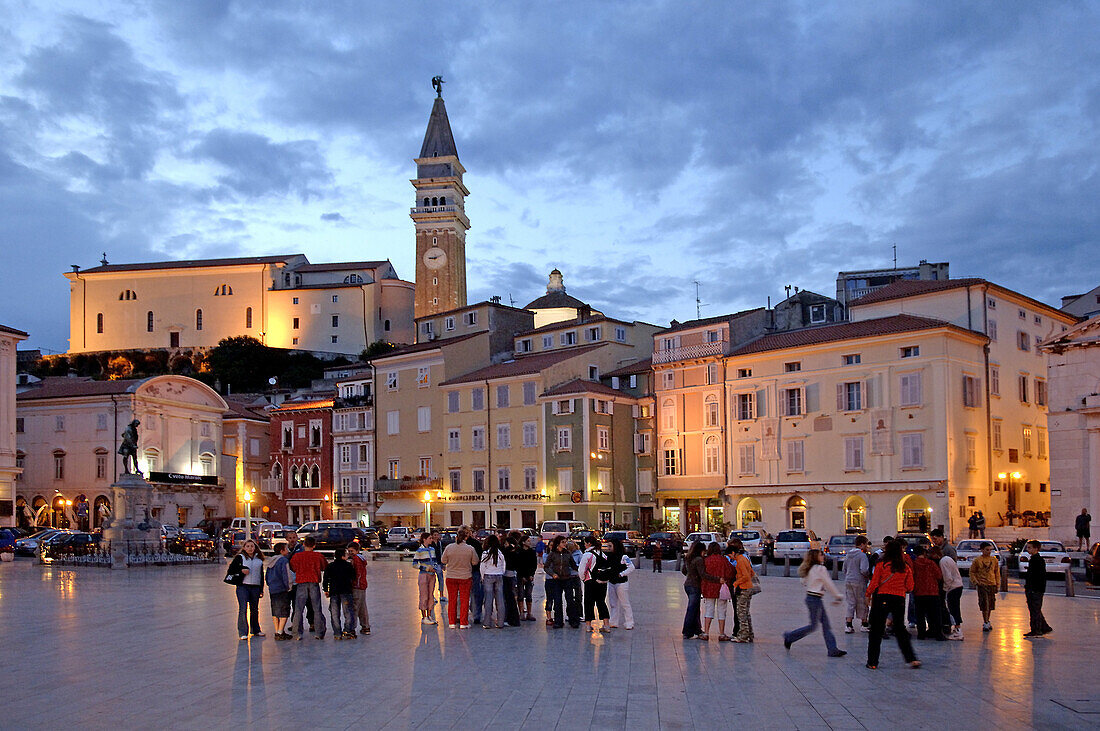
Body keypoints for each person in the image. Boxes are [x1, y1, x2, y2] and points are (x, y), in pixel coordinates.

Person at [865, 540, 919, 669]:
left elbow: (874, 582)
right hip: (899, 599)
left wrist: (868, 595)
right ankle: (911, 659)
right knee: (900, 628)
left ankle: (872, 662)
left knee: (876, 630)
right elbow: (910, 587)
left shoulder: (882, 565)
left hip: (882, 597)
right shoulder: (905, 567)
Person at [783, 549, 846, 657]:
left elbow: (803, 581)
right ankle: (789, 636)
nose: (823, 556)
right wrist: (837, 596)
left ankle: (832, 649)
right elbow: (828, 583)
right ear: (816, 557)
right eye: (821, 555)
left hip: (811, 597)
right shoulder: (820, 569)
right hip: (815, 599)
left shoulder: (809, 568)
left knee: (825, 625)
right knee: (813, 626)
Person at [289, 536, 327, 640]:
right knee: (316, 608)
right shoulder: (318, 556)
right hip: (313, 582)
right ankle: (319, 632)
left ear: (304, 544)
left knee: (298, 609)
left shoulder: (297, 556)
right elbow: (324, 567)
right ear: (314, 545)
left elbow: (293, 568)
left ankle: (297, 633)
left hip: (301, 582)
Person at [227, 539, 265, 640]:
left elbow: (261, 575)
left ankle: (256, 629)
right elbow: (231, 570)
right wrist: (241, 571)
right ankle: (243, 632)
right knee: (243, 609)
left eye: (252, 546)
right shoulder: (240, 558)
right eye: (247, 546)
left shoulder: (259, 560)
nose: (250, 548)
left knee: (254, 609)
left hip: (255, 587)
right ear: (244, 548)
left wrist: (261, 589)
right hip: (243, 586)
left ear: (255, 547)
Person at [441, 528, 479, 628]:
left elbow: (443, 560)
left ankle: (452, 622)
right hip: (465, 577)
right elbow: (475, 561)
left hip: (451, 576)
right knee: (464, 600)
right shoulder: (470, 548)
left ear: (456, 537)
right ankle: (463, 622)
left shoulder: (449, 547)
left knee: (452, 600)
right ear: (466, 538)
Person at [699, 542, 734, 641]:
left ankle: (706, 633)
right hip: (721, 588)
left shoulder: (706, 560)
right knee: (722, 610)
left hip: (709, 588)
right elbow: (730, 572)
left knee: (709, 609)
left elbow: (703, 574)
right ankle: (722, 634)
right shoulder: (723, 560)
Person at [577, 534, 612, 634]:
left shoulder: (587, 555)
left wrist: (583, 579)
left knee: (589, 602)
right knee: (601, 602)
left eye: (585, 543)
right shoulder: (603, 554)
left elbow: (581, 570)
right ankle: (606, 624)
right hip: (602, 582)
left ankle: (588, 625)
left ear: (589, 543)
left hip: (590, 581)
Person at [910, 545, 944, 641]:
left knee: (920, 614)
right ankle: (938, 634)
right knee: (935, 614)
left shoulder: (914, 564)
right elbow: (939, 576)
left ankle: (921, 634)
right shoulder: (931, 563)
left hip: (919, 592)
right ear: (924, 553)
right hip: (932, 591)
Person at [284, 530, 315, 633]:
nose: (292, 540)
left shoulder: (301, 549)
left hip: (302, 580)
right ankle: (295, 624)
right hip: (290, 581)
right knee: (294, 604)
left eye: (294, 537)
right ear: (287, 539)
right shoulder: (284, 550)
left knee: (308, 602)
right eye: (290, 538)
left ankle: (312, 623)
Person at [322, 547, 356, 640]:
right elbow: (353, 577)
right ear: (343, 556)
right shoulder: (348, 566)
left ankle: (337, 633)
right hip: (346, 591)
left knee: (335, 613)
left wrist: (326, 589)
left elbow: (325, 579)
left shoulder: (330, 566)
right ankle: (347, 631)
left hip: (334, 592)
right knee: (348, 612)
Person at [1023, 540, 1053, 637]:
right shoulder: (1035, 560)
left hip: (1035, 589)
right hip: (1034, 588)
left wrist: (1032, 588)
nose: (1028, 549)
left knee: (1034, 609)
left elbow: (1038, 576)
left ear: (1036, 548)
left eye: (1030, 547)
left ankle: (1036, 629)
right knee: (1035, 609)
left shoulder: (1037, 560)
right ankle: (1044, 627)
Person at [727, 538, 755, 643]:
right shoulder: (744, 558)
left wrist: (736, 583)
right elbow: (751, 572)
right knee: (746, 613)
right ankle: (749, 634)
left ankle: (743, 635)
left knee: (741, 613)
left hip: (743, 588)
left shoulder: (740, 560)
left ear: (733, 553)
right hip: (747, 587)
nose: (730, 558)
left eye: (730, 555)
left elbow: (746, 575)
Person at [843, 535, 872, 634]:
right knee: (862, 602)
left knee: (851, 603)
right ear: (862, 544)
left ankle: (848, 624)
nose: (867, 547)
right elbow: (864, 569)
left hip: (848, 580)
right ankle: (864, 624)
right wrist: (868, 576)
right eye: (866, 544)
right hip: (859, 581)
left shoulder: (848, 555)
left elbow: (844, 569)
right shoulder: (862, 555)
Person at [264, 542, 292, 640]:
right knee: (284, 610)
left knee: (275, 610)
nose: (288, 551)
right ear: (282, 551)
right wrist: (289, 586)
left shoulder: (271, 561)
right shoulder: (283, 560)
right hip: (282, 589)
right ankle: (280, 632)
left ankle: (277, 630)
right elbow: (286, 574)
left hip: (273, 589)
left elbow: (266, 576)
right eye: (286, 549)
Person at [543, 536, 573, 628]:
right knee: (557, 601)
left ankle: (573, 620)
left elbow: (573, 565)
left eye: (565, 542)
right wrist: (553, 574)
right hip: (557, 580)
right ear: (558, 543)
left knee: (570, 600)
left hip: (567, 578)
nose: (565, 544)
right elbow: (546, 566)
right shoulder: (552, 554)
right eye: (563, 542)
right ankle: (558, 621)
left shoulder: (568, 553)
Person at [606, 537, 636, 630]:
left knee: (625, 603)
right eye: (608, 546)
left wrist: (622, 574)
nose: (608, 548)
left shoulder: (624, 557)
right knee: (613, 603)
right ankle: (613, 621)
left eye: (610, 546)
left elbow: (631, 567)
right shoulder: (608, 556)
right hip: (611, 582)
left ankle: (629, 622)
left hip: (622, 583)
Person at [970, 542, 1000, 631]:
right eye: (987, 550)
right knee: (984, 604)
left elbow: (997, 572)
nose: (989, 551)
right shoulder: (977, 560)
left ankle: (988, 620)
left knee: (990, 604)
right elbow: (972, 572)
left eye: (990, 550)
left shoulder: (994, 560)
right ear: (982, 550)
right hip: (982, 585)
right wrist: (975, 581)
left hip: (991, 584)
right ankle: (985, 621)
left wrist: (997, 584)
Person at [479, 534, 507, 628]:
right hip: (499, 575)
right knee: (500, 600)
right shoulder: (500, 553)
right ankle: (500, 622)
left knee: (488, 599)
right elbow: (504, 566)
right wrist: (501, 573)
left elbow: (482, 566)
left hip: (488, 575)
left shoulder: (486, 553)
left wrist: (482, 577)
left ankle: (487, 622)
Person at [681, 541, 707, 639]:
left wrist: (690, 575)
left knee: (695, 608)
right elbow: (703, 574)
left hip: (687, 585)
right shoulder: (699, 560)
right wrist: (716, 579)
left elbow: (683, 570)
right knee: (692, 609)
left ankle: (697, 629)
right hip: (695, 585)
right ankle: (687, 631)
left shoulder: (688, 558)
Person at [937, 547, 964, 640]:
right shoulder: (948, 559)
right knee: (955, 607)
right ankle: (957, 629)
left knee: (953, 609)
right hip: (958, 585)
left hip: (953, 588)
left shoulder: (943, 562)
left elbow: (948, 578)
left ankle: (958, 631)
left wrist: (944, 590)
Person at [412, 533, 439, 625]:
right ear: (424, 539)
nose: (431, 540)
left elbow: (435, 560)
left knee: (431, 595)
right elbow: (414, 564)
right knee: (424, 595)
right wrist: (425, 568)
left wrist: (435, 568)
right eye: (430, 538)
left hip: (432, 574)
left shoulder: (432, 549)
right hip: (424, 575)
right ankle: (424, 616)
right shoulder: (419, 551)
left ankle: (429, 614)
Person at [346, 542, 371, 636]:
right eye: (348, 551)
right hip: (362, 586)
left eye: (351, 551)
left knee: (355, 607)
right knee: (362, 607)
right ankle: (365, 626)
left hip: (357, 586)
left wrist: (355, 583)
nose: (350, 553)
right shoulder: (361, 558)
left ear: (357, 551)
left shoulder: (356, 559)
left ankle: (352, 628)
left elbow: (358, 573)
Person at [515, 534, 538, 621]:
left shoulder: (532, 552)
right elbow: (517, 565)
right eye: (528, 541)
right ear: (523, 542)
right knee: (520, 594)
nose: (530, 542)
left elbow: (534, 564)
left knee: (529, 594)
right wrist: (522, 575)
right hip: (521, 576)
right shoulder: (518, 552)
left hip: (530, 576)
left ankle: (529, 613)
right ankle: (521, 612)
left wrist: (532, 574)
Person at [502, 532, 521, 626]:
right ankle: (511, 618)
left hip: (508, 576)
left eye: (506, 544)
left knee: (508, 598)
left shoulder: (511, 553)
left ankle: (510, 618)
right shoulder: (516, 553)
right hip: (511, 576)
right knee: (510, 598)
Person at [565, 540, 583, 628]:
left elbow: (581, 564)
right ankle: (570, 614)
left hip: (576, 576)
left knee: (578, 595)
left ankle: (579, 614)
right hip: (568, 576)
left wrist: (575, 566)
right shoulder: (566, 554)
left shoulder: (579, 554)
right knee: (569, 597)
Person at [467, 529, 484, 625]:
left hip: (463, 572)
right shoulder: (476, 544)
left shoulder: (455, 545)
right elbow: (479, 559)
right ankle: (476, 615)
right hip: (475, 571)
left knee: (461, 595)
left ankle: (459, 616)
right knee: (475, 593)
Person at [430, 528, 447, 603]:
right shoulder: (430, 543)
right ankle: (431, 596)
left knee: (441, 579)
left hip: (439, 563)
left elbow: (441, 553)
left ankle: (441, 595)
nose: (436, 536)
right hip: (432, 564)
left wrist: (443, 564)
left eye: (437, 535)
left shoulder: (440, 543)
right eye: (435, 535)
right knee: (432, 581)